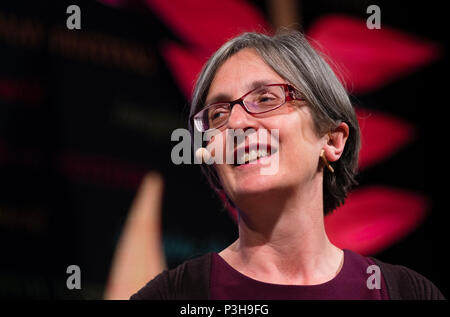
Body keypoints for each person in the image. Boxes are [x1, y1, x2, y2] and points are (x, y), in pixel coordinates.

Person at [130, 30, 445, 300]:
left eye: (266, 99)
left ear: (333, 141)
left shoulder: (404, 293)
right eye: (218, 115)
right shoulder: (177, 295)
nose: (236, 123)